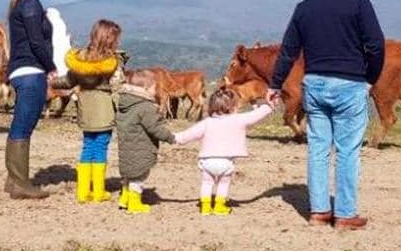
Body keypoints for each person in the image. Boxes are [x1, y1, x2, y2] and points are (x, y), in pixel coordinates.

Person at [267, 0, 384, 230]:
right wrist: (370, 78)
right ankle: (345, 214)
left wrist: (274, 84)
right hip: (349, 84)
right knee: (347, 151)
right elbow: (376, 45)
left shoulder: (305, 6)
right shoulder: (358, 1)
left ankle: (319, 212)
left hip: (315, 85)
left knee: (318, 149)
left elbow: (288, 52)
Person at [54, 19, 124, 204]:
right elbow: (119, 85)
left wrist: (51, 81)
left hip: (86, 110)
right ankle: (99, 190)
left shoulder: (80, 58)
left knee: (87, 147)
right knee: (100, 147)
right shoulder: (111, 61)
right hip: (104, 109)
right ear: (110, 40)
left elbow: (68, 82)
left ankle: (83, 192)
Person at [174, 87, 273, 216]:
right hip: (226, 162)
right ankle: (220, 206)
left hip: (207, 162)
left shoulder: (207, 123)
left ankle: (205, 206)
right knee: (223, 184)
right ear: (234, 106)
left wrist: (172, 137)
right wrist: (269, 105)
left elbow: (187, 135)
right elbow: (256, 115)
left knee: (207, 183)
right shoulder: (239, 120)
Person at [3, 0, 57, 200]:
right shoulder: (31, 4)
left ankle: (14, 178)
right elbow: (36, 41)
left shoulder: (17, 5)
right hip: (31, 71)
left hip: (19, 70)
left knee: (21, 124)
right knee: (24, 125)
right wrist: (51, 66)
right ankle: (20, 182)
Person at [114, 69, 176, 214]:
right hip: (141, 148)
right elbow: (155, 128)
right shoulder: (146, 108)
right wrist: (170, 137)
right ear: (146, 89)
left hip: (126, 148)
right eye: (155, 87)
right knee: (138, 177)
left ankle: (124, 198)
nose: (156, 91)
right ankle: (135, 203)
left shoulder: (124, 105)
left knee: (128, 176)